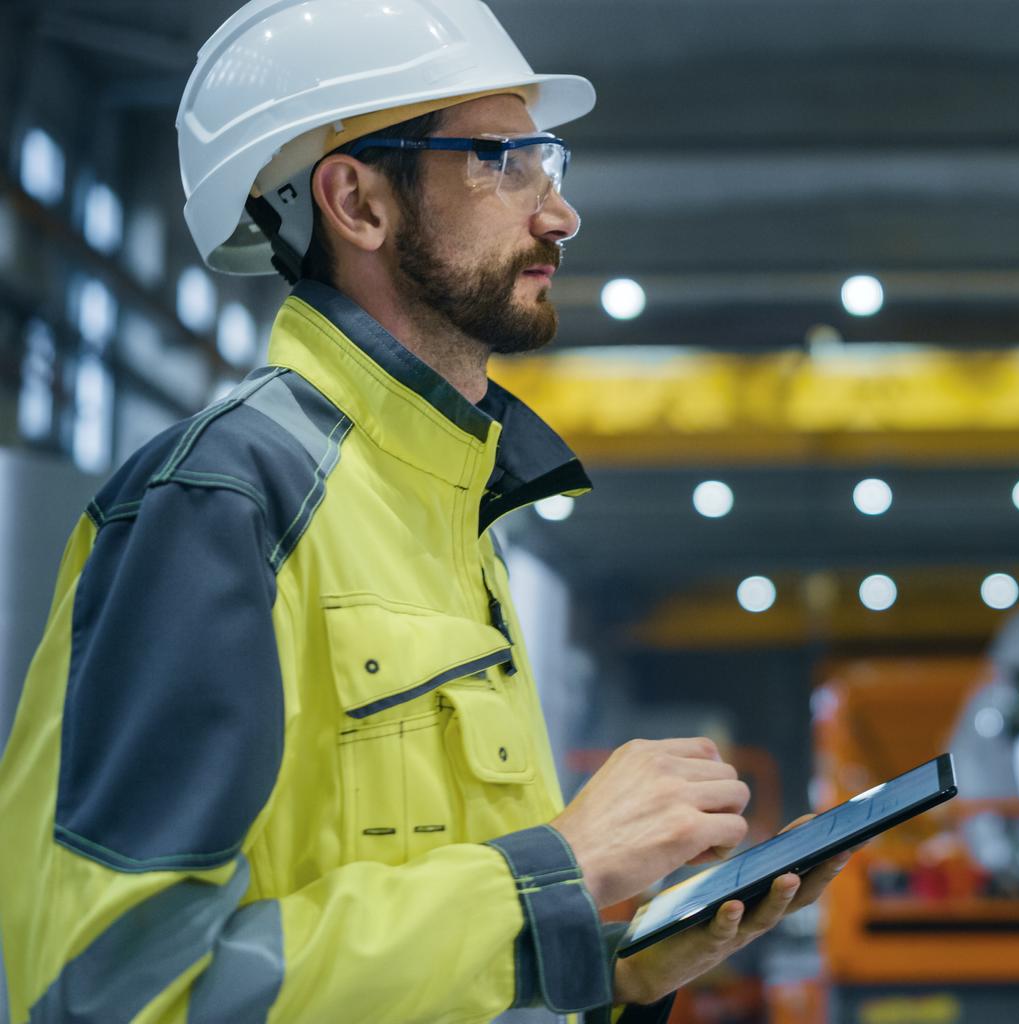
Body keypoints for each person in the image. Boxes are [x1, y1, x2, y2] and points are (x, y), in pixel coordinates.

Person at [0, 1, 846, 1021]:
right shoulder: (224, 499)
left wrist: (605, 970)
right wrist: (558, 869)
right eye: (501, 160)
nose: (558, 214)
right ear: (357, 202)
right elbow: (119, 992)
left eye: (552, 166)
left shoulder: (445, 516)